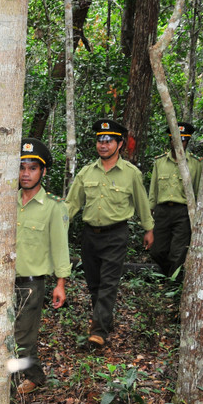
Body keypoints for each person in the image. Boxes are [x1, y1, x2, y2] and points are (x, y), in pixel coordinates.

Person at [65, 119, 154, 347]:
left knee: (108, 284)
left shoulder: (131, 173)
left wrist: (148, 228)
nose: (103, 145)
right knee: (94, 283)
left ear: (119, 143)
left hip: (116, 234)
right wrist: (57, 228)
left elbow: (142, 203)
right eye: (99, 140)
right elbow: (71, 205)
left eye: (108, 140)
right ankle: (104, 318)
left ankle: (99, 332)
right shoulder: (86, 173)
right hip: (90, 235)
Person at [13, 137, 71, 394]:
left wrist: (61, 283)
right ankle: (33, 375)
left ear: (43, 171)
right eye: (21, 167)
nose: (25, 174)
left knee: (21, 339)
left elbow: (60, 246)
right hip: (3, 282)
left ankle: (21, 384)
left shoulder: (53, 207)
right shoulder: (7, 201)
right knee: (10, 336)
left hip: (31, 284)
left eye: (32, 168)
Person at [148, 122, 203, 277]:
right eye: (175, 139)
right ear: (170, 140)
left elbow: (198, 189)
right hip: (162, 211)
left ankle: (172, 283)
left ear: (187, 141)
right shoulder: (160, 162)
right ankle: (167, 274)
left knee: (178, 251)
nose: (179, 143)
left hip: (183, 212)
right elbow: (153, 191)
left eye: (183, 140)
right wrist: (148, 214)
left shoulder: (195, 164)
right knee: (157, 250)